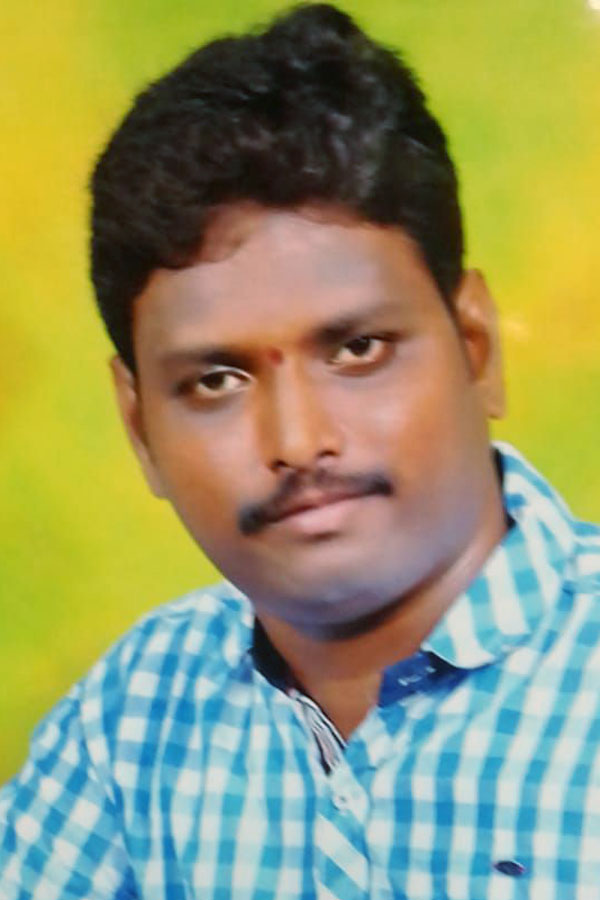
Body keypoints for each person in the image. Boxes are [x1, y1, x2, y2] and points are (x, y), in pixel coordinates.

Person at [1, 3, 599, 897]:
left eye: (357, 349)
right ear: (141, 429)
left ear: (475, 349)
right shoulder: (133, 718)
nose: (298, 441)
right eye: (216, 381)